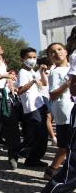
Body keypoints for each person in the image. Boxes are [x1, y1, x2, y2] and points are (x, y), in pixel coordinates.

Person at [42, 29, 76, 192]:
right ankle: (58, 179)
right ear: (49, 57)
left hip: (70, 112)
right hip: (65, 114)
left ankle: (52, 173)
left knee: (65, 148)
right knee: (68, 148)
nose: (56, 53)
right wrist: (68, 84)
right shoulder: (55, 73)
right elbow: (52, 94)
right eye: (52, 52)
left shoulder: (71, 66)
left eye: (59, 49)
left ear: (66, 51)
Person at [17, 47, 48, 167]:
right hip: (31, 108)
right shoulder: (23, 72)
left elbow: (43, 85)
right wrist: (33, 81)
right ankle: (16, 152)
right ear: (22, 59)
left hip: (40, 104)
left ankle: (34, 159)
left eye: (34, 57)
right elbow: (20, 90)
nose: (32, 60)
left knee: (41, 136)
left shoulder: (32, 72)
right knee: (36, 135)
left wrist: (40, 72)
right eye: (29, 57)